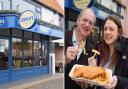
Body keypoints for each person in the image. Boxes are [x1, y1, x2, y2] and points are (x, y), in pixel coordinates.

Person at [65, 7, 96, 89]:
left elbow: (92, 85)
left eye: (90, 23)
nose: (87, 25)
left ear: (92, 28)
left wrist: (90, 82)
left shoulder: (92, 50)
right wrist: (65, 60)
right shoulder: (63, 36)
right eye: (85, 20)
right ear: (78, 20)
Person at [94, 15, 128, 89]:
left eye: (111, 29)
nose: (107, 32)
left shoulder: (126, 49)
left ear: (119, 31)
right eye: (105, 29)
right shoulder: (99, 48)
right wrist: (93, 69)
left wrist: (118, 81)